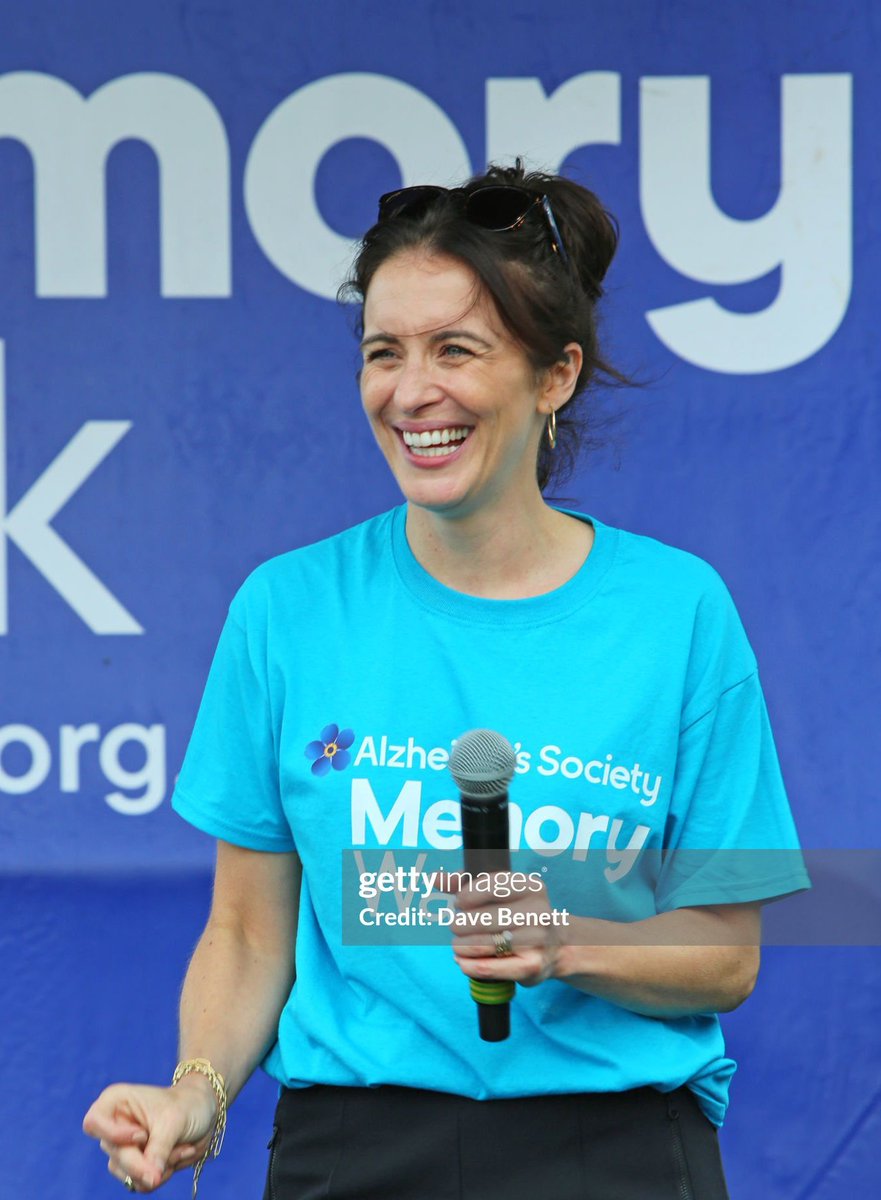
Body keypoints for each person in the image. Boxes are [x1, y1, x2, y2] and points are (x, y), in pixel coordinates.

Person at [83, 161, 809, 1199]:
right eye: (383, 352)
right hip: (354, 1153)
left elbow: (724, 955)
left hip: (612, 1154)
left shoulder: (676, 612)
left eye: (455, 350)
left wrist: (562, 936)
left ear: (553, 376)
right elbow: (247, 931)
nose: (410, 391)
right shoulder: (287, 610)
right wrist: (194, 1093)